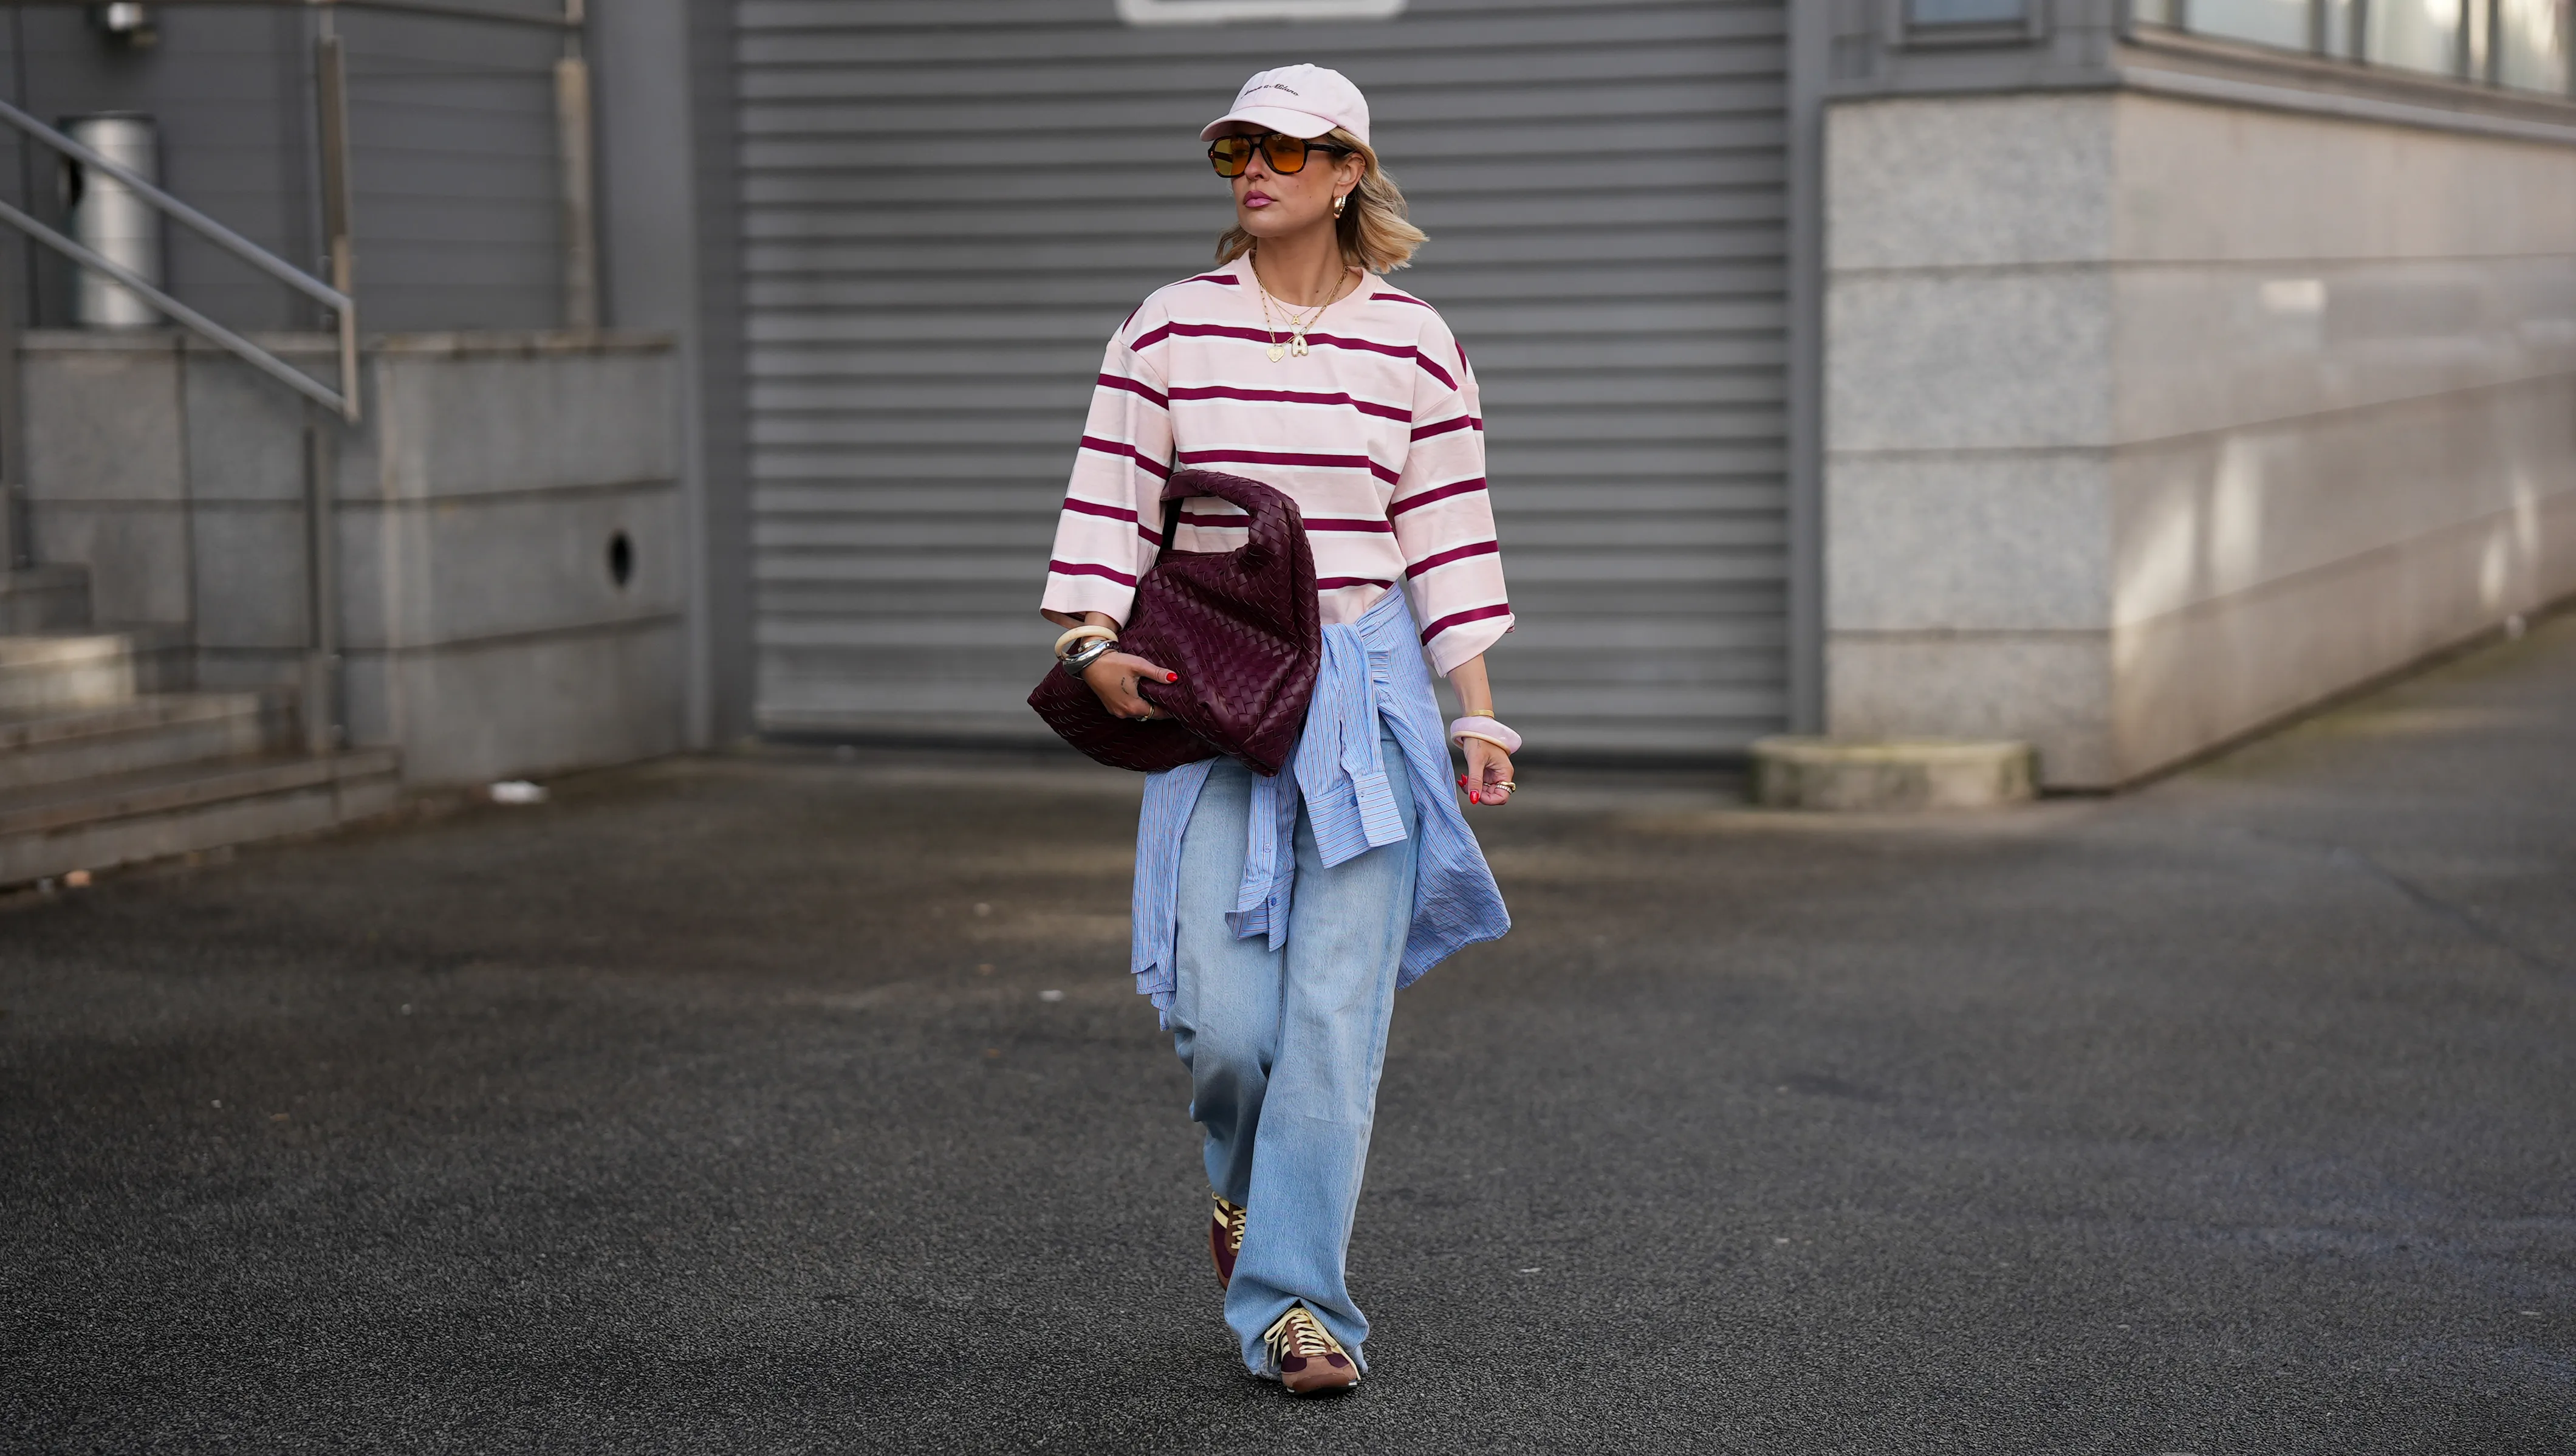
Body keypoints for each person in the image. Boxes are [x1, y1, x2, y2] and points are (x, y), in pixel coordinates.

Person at [1038, 64, 1518, 1396]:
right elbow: (1106, 501)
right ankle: (1243, 1197)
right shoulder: (1169, 326)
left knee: (1326, 1022)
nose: (1255, 170)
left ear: (1348, 172)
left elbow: (1451, 537)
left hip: (1365, 705)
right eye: (1237, 149)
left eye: (1288, 152)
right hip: (1215, 695)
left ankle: (1298, 1308)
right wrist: (1089, 646)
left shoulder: (1415, 342)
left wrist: (1477, 719)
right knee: (1225, 1027)